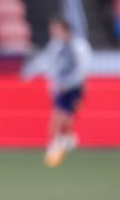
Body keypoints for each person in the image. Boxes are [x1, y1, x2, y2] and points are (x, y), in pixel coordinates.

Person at [22, 16, 93, 167]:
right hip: (61, 87)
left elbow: (83, 69)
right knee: (60, 118)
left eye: (56, 29)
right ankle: (62, 144)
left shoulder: (79, 46)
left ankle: (58, 146)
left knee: (63, 119)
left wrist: (68, 83)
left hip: (74, 88)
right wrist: (30, 71)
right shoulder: (56, 45)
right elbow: (47, 60)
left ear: (65, 30)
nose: (53, 33)